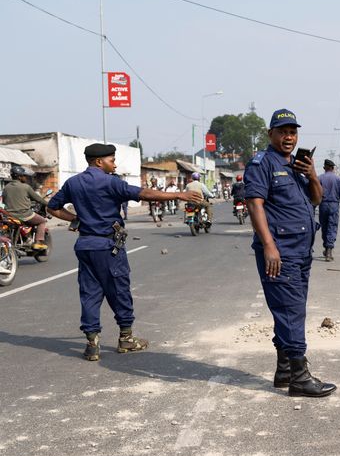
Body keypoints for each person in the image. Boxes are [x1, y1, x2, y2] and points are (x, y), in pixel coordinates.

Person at [46, 143, 202, 361]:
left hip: (85, 245)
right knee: (119, 290)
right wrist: (178, 195)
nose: (115, 164)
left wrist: (76, 219)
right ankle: (126, 338)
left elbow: (52, 207)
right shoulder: (111, 183)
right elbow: (144, 193)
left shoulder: (73, 183)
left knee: (89, 293)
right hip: (108, 247)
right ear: (99, 162)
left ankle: (92, 344)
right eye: (111, 160)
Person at [244, 108, 336, 398]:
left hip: (301, 252)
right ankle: (299, 376)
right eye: (282, 131)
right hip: (281, 253)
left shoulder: (297, 165)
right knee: (291, 312)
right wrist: (269, 246)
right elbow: (255, 204)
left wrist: (311, 175)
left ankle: (284, 370)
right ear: (270, 134)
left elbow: (316, 199)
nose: (288, 137)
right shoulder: (262, 163)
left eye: (293, 132)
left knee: (289, 311)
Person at [2, 165, 49, 250]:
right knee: (42, 221)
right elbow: (38, 199)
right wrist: (49, 204)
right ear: (19, 177)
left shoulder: (6, 187)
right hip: (24, 215)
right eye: (24, 176)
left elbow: (4, 201)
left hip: (9, 216)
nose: (26, 178)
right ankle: (38, 242)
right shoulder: (26, 187)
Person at [318, 159, 340, 262]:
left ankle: (327, 247)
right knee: (332, 227)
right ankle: (329, 250)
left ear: (324, 168)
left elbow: (315, 194)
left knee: (324, 227)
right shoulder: (337, 179)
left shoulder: (320, 178)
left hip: (323, 205)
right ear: (332, 168)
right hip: (333, 205)